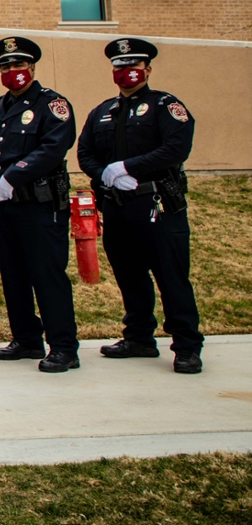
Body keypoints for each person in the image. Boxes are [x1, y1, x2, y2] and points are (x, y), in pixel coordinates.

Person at [77, 38, 203, 374]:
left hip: (157, 205)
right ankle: (139, 338)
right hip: (118, 206)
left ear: (147, 69)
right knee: (130, 276)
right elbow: (85, 153)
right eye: (119, 67)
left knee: (172, 277)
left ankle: (187, 346)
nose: (126, 72)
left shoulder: (166, 106)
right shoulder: (103, 112)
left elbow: (176, 148)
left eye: (133, 66)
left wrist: (129, 167)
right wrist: (106, 173)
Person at [0, 36, 79, 373]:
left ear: (31, 67)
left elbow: (52, 148)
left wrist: (13, 177)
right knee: (13, 274)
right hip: (7, 207)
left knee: (46, 276)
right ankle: (27, 339)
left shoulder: (51, 105)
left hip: (40, 206)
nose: (11, 71)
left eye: (18, 64)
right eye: (5, 66)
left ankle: (63, 346)